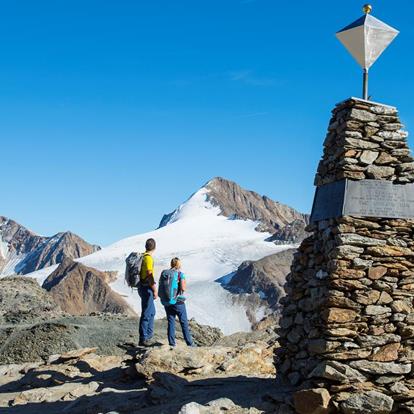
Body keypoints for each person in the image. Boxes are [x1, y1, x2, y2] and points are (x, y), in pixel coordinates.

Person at [160, 257, 194, 347]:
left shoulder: (166, 273)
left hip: (167, 301)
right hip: (178, 302)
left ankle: (172, 343)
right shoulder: (180, 274)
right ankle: (189, 343)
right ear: (179, 264)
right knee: (183, 322)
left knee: (171, 321)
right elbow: (183, 288)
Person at [138, 238, 158, 347]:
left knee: (152, 312)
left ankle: (148, 336)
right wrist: (154, 289)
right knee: (146, 313)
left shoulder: (143, 256)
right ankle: (143, 338)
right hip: (147, 288)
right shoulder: (148, 258)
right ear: (154, 247)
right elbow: (149, 274)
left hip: (142, 287)